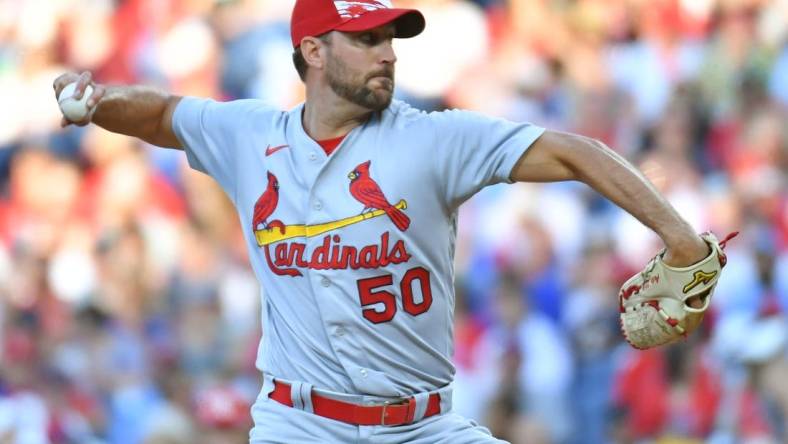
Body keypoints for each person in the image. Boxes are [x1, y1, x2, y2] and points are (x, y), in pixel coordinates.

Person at [52, 0, 711, 442]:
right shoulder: (248, 135)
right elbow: (162, 115)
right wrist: (99, 100)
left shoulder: (433, 139)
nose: (387, 53)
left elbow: (574, 150)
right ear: (313, 50)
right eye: (366, 39)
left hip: (424, 426)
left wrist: (681, 239)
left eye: (389, 38)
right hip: (300, 425)